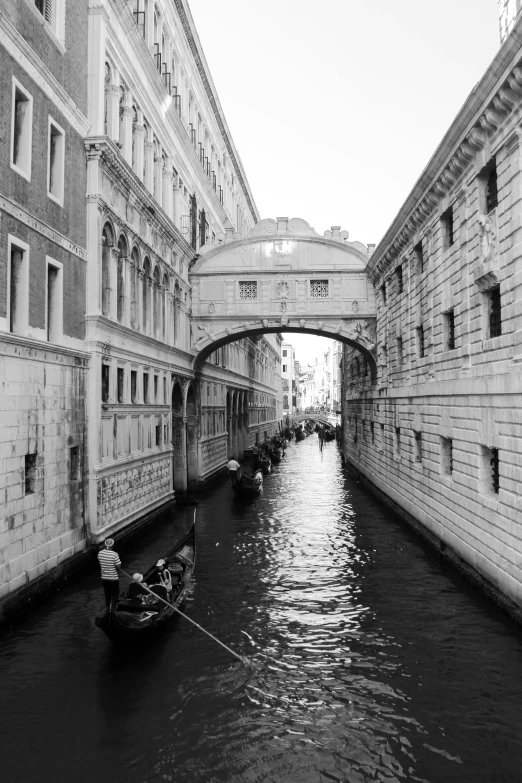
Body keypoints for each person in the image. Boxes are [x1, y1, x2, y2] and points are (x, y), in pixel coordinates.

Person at [97, 538, 121, 610]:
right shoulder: (114, 554)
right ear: (112, 545)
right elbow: (119, 567)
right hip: (113, 578)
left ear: (105, 544)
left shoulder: (100, 553)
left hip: (104, 578)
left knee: (107, 594)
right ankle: (112, 609)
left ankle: (108, 609)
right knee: (115, 594)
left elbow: (100, 561)